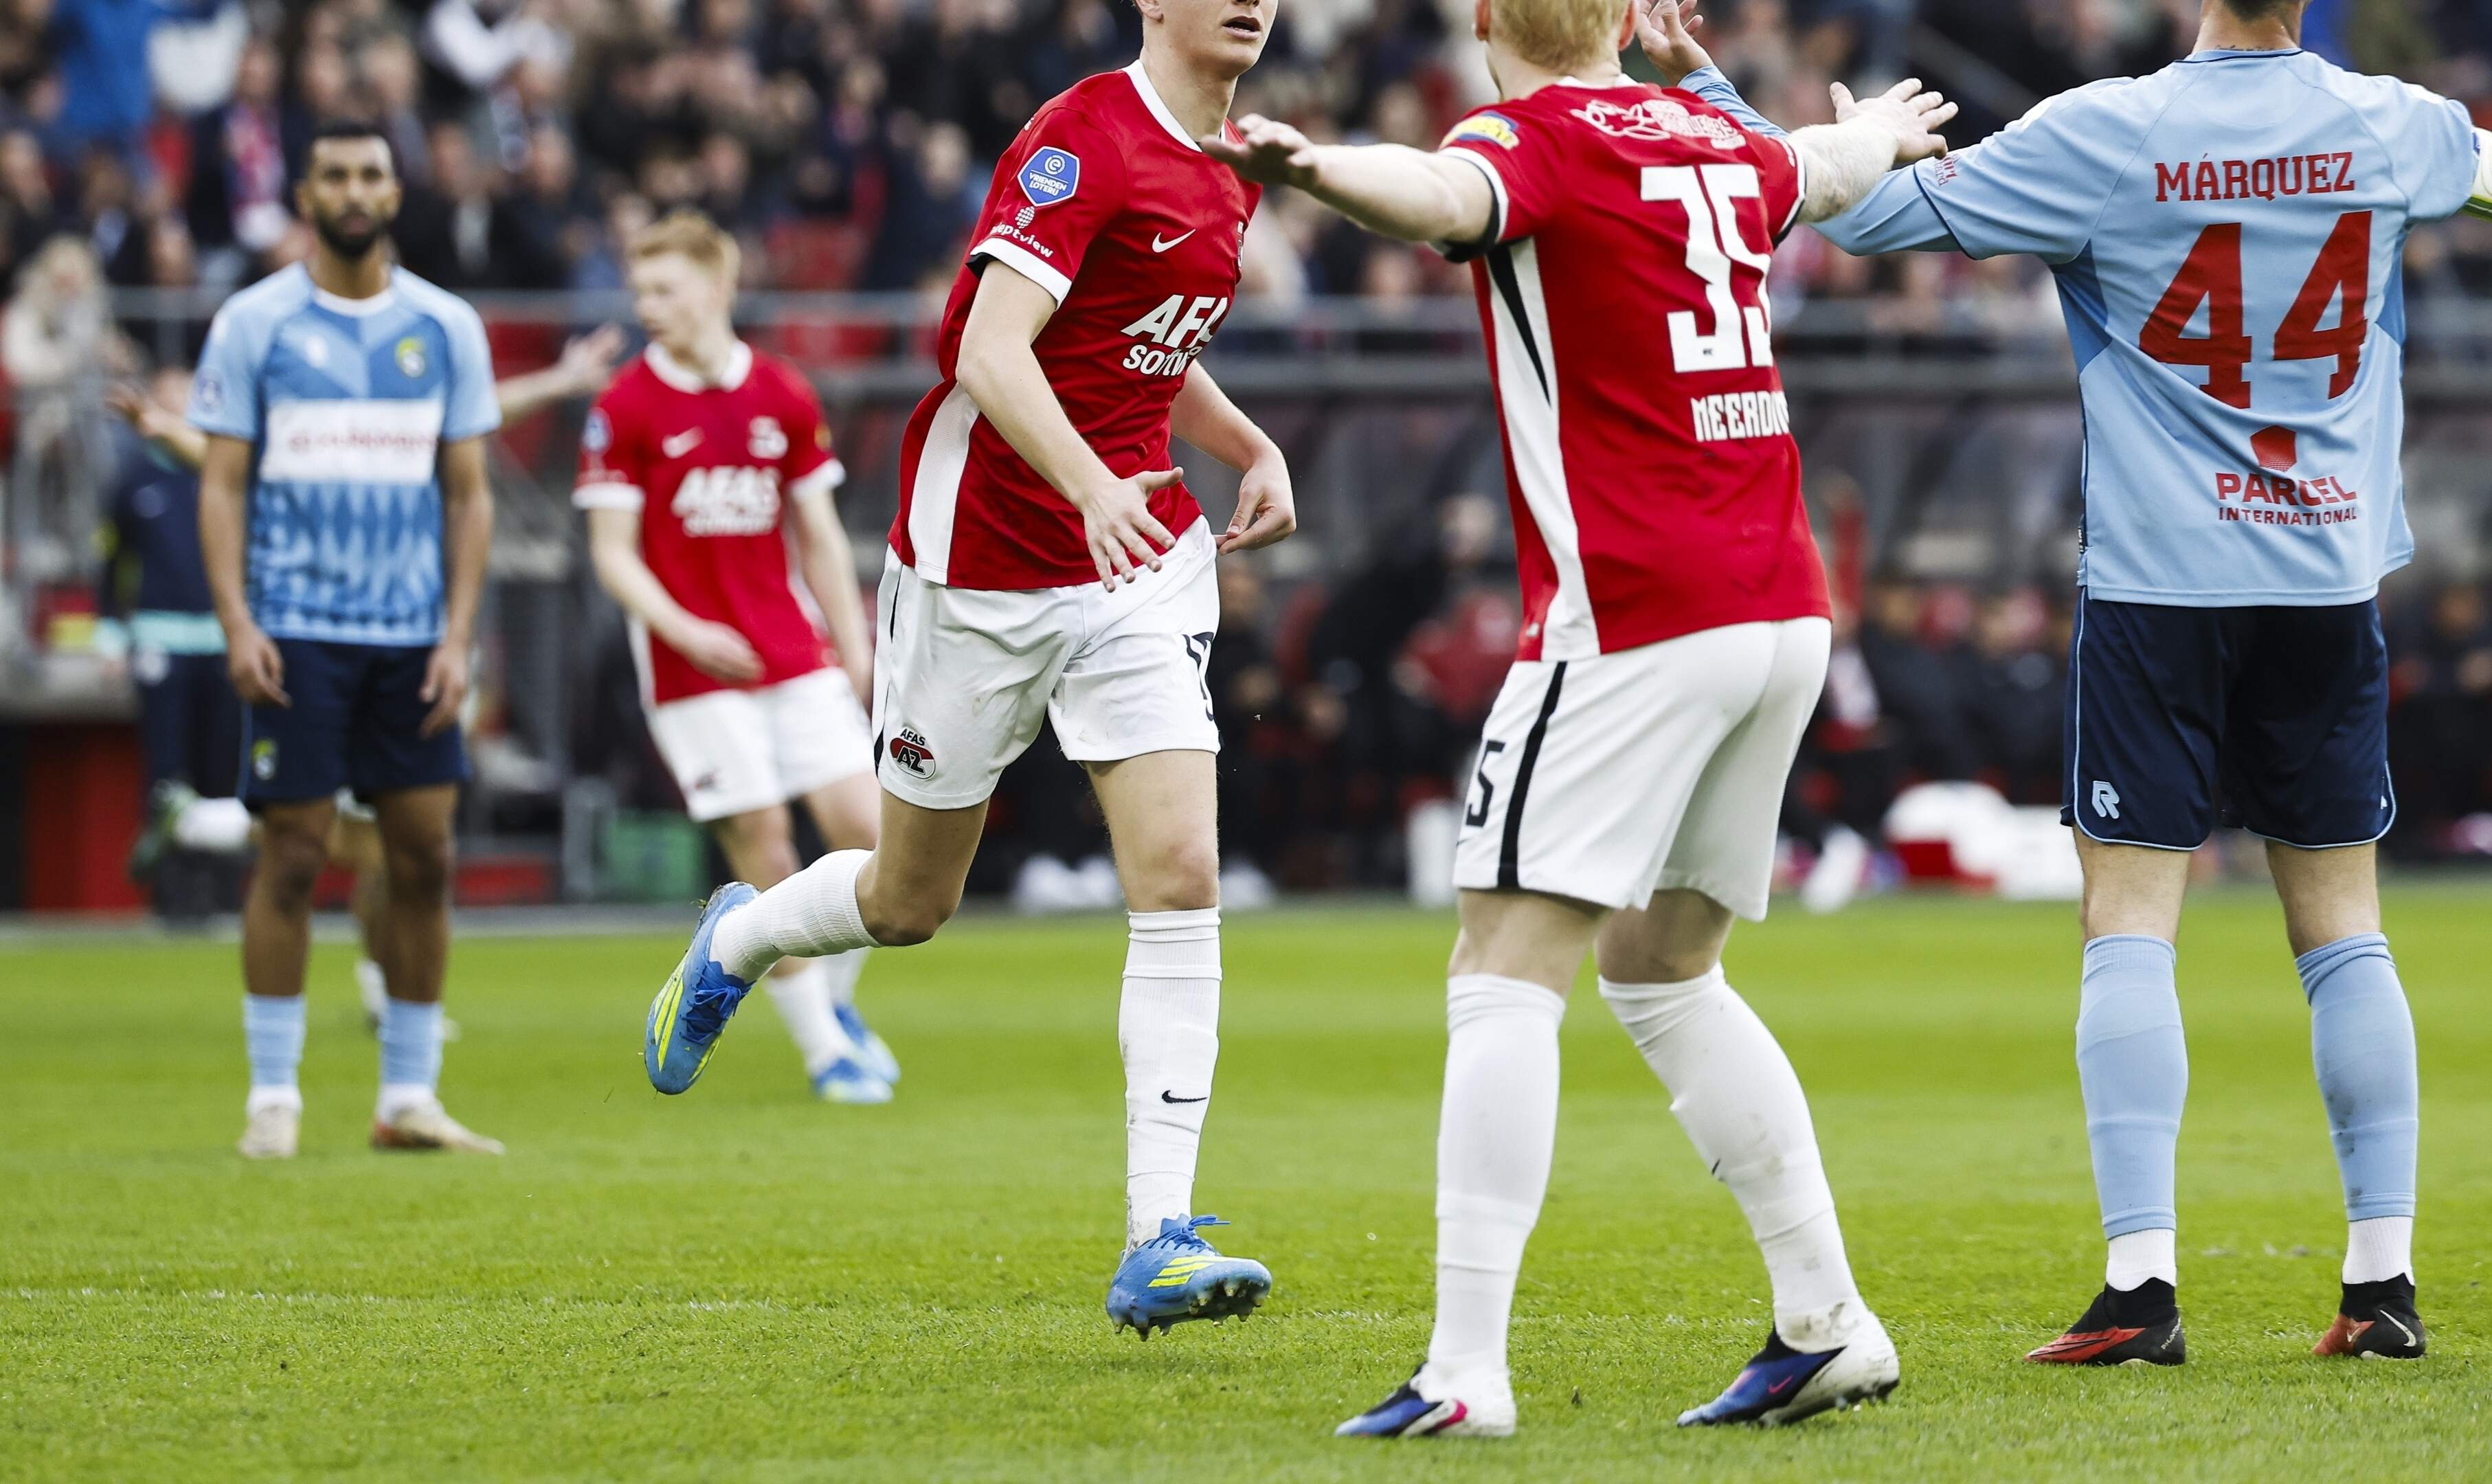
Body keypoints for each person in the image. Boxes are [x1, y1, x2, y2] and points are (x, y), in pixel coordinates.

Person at [1678, 0, 2491, 1364]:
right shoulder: (2393, 126)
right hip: (2325, 577)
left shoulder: (2109, 131)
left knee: (2128, 925)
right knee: (2344, 929)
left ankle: (2140, 1287)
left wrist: (1721, 89)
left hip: (2159, 585)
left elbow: (1856, 220)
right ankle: (2380, 1283)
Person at [1204, 0, 1952, 1434]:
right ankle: (1827, 1321)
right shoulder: (1710, 137)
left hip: (1635, 614)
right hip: (1779, 609)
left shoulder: (1531, 138)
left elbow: (1442, 195)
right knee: (1664, 969)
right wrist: (1875, 131)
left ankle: (1462, 1372)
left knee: (1501, 966)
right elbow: (1820, 169)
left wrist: (1313, 169)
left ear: (1487, 21)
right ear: (1619, 16)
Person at [638, 0, 1299, 1338]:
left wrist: (1245, 443)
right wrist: (1085, 483)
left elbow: (1142, 345)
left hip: (1138, 554)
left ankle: (1157, 1237)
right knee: (907, 900)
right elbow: (995, 350)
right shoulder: (1081, 136)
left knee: (1179, 871)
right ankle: (742, 937)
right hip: (980, 564)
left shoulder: (1238, 164)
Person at [115, 326, 624, 1016]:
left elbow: (479, 413)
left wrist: (560, 382)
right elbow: (230, 462)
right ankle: (375, 983)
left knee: (400, 839)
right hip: (330, 648)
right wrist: (169, 433)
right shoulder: (311, 427)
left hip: (422, 645)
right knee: (340, 834)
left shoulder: (416, 421)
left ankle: (217, 833)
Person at [192, 119, 504, 1160]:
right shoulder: (254, 323)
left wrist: (457, 638)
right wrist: (238, 621)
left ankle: (407, 1096)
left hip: (413, 638)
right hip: (296, 633)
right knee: (291, 855)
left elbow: (468, 496)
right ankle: (272, 1097)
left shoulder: (446, 328)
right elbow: (221, 484)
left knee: (425, 858)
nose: (355, 190)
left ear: (395, 192)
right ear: (306, 194)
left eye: (372, 173)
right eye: (335, 175)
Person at [576, 210, 900, 1103]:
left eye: (665, 289)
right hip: (692, 673)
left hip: (793, 652)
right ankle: (824, 1053)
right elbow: (612, 554)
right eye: (641, 291)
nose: (648, 307)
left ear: (718, 286)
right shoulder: (623, 408)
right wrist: (684, 631)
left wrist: (855, 644)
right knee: (764, 844)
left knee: (879, 837)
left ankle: (835, 1002)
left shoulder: (781, 393)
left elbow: (818, 533)